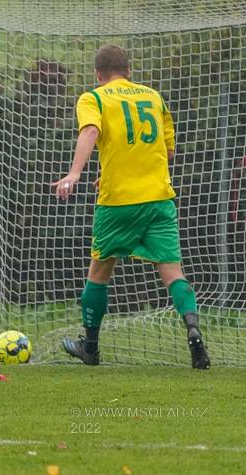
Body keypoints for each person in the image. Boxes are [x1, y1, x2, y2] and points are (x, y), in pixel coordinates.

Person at [52, 44, 210, 370]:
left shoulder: (93, 98)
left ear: (98, 75)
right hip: (159, 199)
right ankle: (193, 328)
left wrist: (75, 173)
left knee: (99, 272)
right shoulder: (154, 98)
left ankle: (91, 348)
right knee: (172, 272)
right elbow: (166, 154)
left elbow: (92, 130)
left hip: (119, 202)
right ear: (129, 70)